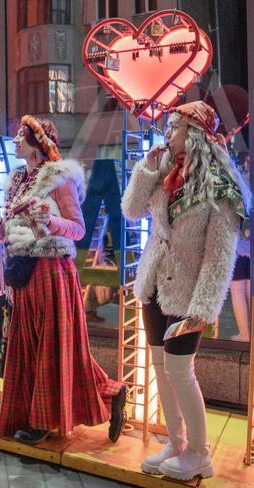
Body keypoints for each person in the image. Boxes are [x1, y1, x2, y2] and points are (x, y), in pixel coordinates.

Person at [121, 101, 249, 480]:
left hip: (189, 295)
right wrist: (146, 168)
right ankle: (175, 441)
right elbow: (130, 209)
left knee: (180, 370)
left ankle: (199, 451)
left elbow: (219, 258)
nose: (168, 133)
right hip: (154, 285)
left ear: (194, 135)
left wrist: (202, 309)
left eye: (174, 127)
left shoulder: (221, 188)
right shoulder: (164, 173)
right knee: (161, 368)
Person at [0, 116, 126, 445]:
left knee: (52, 350)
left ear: (38, 143)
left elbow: (77, 228)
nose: (15, 139)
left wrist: (52, 220)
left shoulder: (59, 180)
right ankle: (110, 392)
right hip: (24, 272)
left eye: (21, 135)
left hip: (52, 270)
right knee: (42, 349)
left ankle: (43, 421)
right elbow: (9, 235)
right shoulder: (17, 181)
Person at [230, 154, 250, 341]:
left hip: (235, 246)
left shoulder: (229, 187)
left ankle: (245, 333)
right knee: (248, 288)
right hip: (249, 244)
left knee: (237, 289)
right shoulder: (247, 187)